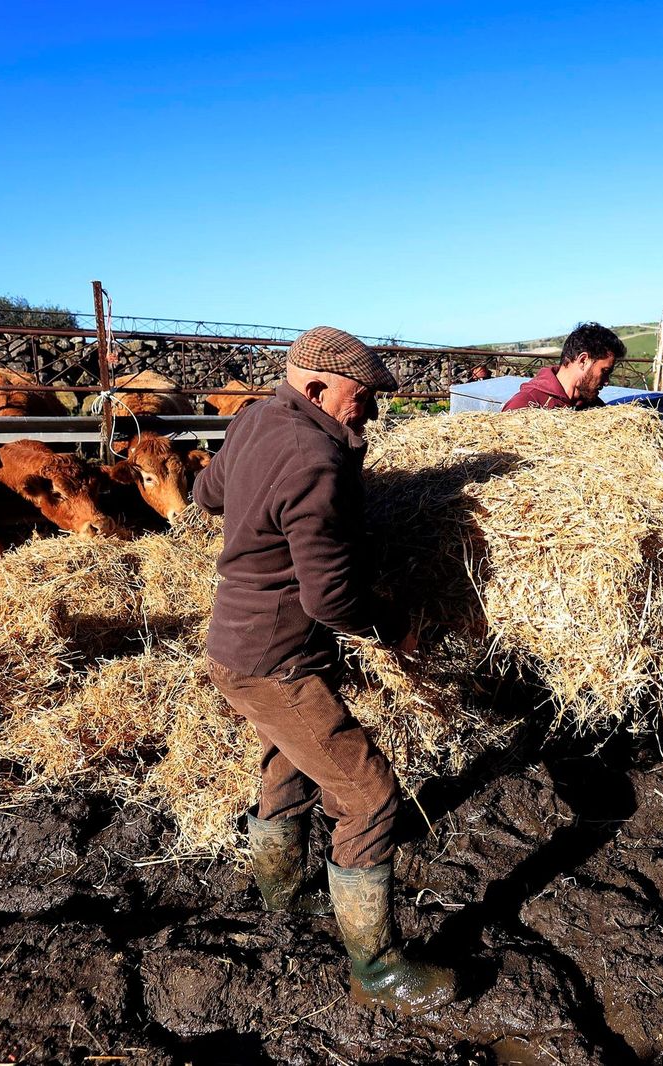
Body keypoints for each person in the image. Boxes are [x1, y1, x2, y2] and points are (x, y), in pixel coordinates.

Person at [193, 325, 457, 1015]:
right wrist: (396, 630)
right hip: (276, 660)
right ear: (313, 387)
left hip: (239, 645)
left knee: (290, 762)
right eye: (361, 398)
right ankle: (376, 968)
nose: (369, 412)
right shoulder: (315, 457)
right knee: (368, 796)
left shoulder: (255, 420)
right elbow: (330, 597)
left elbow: (207, 495)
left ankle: (281, 895)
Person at [500, 322, 624, 411]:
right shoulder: (525, 405)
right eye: (605, 371)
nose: (607, 382)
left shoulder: (595, 407)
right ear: (583, 360)